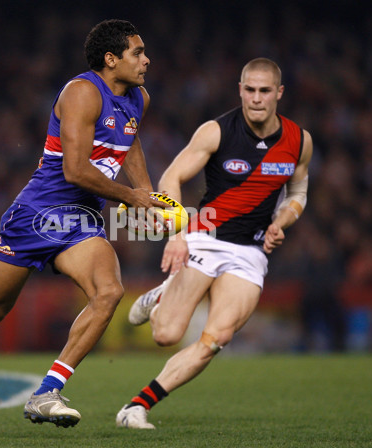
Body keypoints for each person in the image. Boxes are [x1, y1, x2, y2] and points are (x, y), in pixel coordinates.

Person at [0, 19, 163, 428]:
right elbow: (76, 171)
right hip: (37, 214)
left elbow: (128, 141)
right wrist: (131, 197)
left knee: (109, 290)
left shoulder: (139, 98)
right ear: (110, 59)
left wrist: (148, 192)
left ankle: (46, 392)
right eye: (137, 52)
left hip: (80, 220)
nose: (146, 59)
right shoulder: (81, 92)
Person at [116, 58, 313, 429]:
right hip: (204, 237)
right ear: (240, 90)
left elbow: (298, 191)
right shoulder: (216, 131)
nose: (256, 99)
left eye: (265, 91)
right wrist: (177, 235)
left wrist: (283, 221)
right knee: (166, 335)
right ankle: (160, 296)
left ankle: (137, 407)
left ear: (279, 93)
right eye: (250, 90)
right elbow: (171, 177)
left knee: (216, 337)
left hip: (250, 252)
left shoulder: (299, 141)